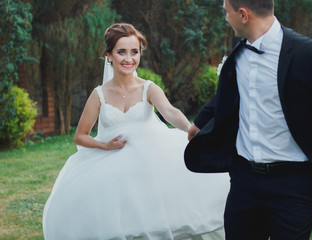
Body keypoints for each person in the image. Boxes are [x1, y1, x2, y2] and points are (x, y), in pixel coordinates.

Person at [42, 23, 229, 240]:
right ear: (109, 55)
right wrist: (105, 145)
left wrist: (190, 128)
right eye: (121, 52)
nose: (128, 58)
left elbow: (169, 111)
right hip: (110, 163)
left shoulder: (147, 88)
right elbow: (80, 136)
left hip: (150, 160)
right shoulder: (99, 95)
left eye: (134, 52)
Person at [185, 0, 312, 239]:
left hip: (295, 184)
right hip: (244, 179)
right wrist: (200, 120)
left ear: (243, 15)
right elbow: (231, 87)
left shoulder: (311, 55)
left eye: (226, 13)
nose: (225, 18)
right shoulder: (240, 47)